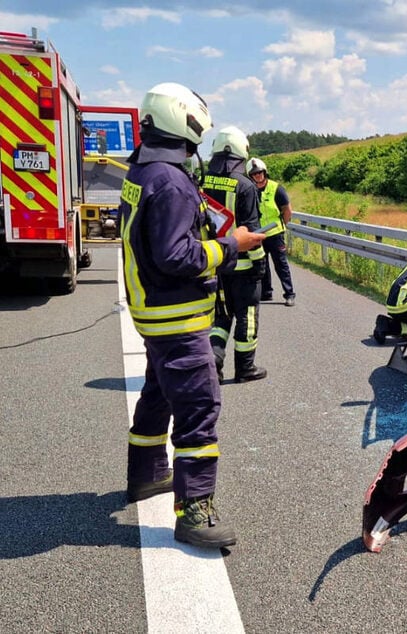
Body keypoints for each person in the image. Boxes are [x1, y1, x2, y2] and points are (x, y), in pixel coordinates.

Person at [119, 82, 265, 549]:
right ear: (186, 121)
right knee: (199, 409)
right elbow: (175, 256)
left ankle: (147, 475)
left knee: (158, 395)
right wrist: (230, 246)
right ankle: (195, 509)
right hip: (177, 319)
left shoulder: (142, 173)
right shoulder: (171, 182)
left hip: (154, 315)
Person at [204, 126, 268, 384]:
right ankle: (245, 368)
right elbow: (251, 232)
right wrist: (260, 264)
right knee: (247, 315)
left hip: (216, 263)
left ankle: (214, 364)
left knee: (221, 316)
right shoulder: (246, 186)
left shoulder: (202, 181)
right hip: (243, 267)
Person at [246, 157, 296, 306]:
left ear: (265, 172)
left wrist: (282, 225)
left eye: (260, 173)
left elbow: (287, 210)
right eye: (254, 174)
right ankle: (266, 293)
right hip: (259, 234)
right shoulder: (250, 190)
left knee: (280, 264)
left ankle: (289, 294)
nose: (258, 176)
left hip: (275, 234)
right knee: (262, 265)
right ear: (251, 176)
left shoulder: (276, 188)